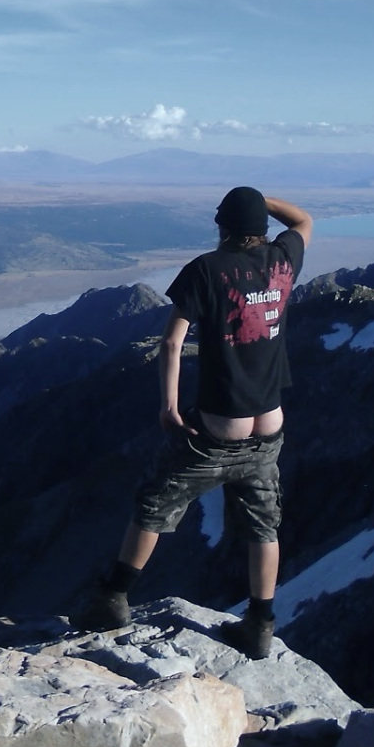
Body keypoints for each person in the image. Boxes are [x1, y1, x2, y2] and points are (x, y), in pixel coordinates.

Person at [79, 185, 311, 659]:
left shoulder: (206, 269)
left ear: (223, 226)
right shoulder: (283, 261)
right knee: (264, 526)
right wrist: (260, 201)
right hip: (269, 426)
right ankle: (260, 625)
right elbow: (303, 221)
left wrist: (169, 407)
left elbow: (171, 343)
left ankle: (113, 599)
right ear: (260, 227)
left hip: (219, 428)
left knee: (154, 503)